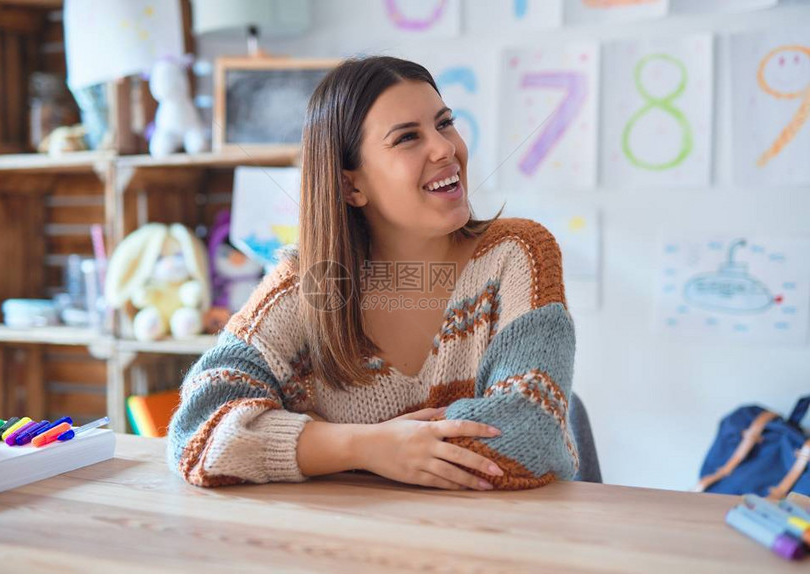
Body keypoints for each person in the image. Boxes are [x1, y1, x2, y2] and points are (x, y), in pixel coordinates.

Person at [167, 56, 578, 491]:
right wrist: (369, 447)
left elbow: (532, 428)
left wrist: (334, 448)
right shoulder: (304, 284)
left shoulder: (518, 254)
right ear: (351, 186)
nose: (444, 148)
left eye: (444, 124)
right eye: (407, 138)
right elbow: (197, 434)